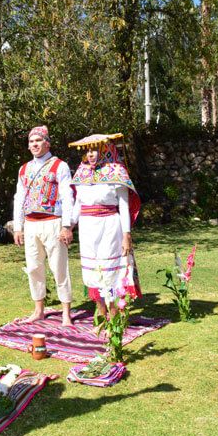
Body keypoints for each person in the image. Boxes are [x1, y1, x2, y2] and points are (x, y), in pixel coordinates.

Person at [68, 134, 142, 322]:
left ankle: (114, 312)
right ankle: (100, 312)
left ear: (105, 149)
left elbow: (124, 205)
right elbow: (78, 203)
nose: (90, 154)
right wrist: (68, 226)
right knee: (93, 270)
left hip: (110, 225)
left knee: (110, 269)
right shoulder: (82, 172)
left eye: (95, 150)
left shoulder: (117, 171)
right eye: (88, 150)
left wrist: (126, 235)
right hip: (87, 227)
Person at [13, 125, 75, 326]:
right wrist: (17, 226)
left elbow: (67, 197)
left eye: (38, 141)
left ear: (47, 143)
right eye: (31, 142)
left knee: (59, 267)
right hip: (31, 224)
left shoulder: (60, 166)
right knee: (33, 268)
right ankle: (38, 309)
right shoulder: (24, 169)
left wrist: (67, 225)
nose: (34, 145)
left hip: (53, 223)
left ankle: (66, 312)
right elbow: (19, 198)